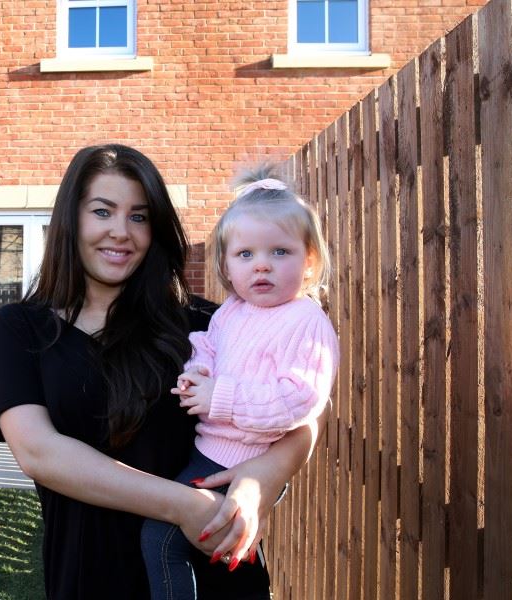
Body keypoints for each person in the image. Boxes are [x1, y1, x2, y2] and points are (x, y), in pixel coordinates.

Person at [0, 145, 324, 599]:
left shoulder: (209, 325)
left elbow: (303, 415)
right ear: (71, 219)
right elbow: (39, 453)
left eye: (139, 217)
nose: (121, 232)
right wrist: (184, 505)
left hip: (212, 568)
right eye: (103, 211)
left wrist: (261, 480)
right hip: (91, 577)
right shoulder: (21, 329)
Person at [140, 167, 339, 599]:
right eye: (245, 254)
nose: (262, 264)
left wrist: (220, 396)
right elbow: (210, 344)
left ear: (309, 260)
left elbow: (300, 398)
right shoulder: (234, 310)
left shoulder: (305, 320)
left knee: (161, 538)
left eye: (280, 252)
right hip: (208, 449)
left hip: (238, 460)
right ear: (227, 267)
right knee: (209, 544)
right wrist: (200, 371)